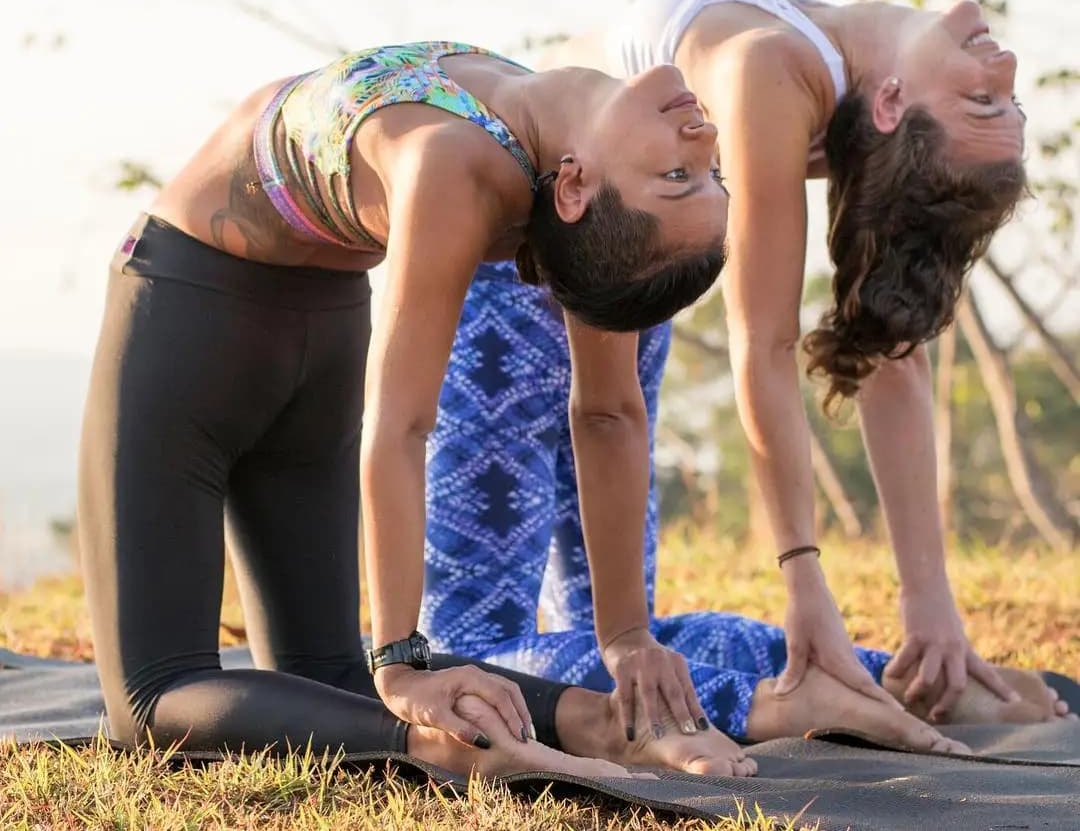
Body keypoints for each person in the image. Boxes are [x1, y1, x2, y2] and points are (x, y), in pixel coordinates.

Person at [78, 39, 763, 780]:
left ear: (576, 187)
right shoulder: (553, 171)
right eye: (700, 175)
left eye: (679, 177)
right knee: (327, 668)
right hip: (322, 323)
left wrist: (410, 660)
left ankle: (459, 746)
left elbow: (464, 421)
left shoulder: (464, 165)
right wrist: (616, 637)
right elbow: (603, 416)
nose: (704, 139)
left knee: (150, 697)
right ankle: (591, 721)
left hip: (195, 314)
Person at [496, 0, 1030, 721]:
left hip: (590, 278)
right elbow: (764, 340)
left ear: (893, 104)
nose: (1003, 72)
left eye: (986, 104)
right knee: (525, 636)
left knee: (599, 634)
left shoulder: (811, 80)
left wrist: (928, 601)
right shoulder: (791, 63)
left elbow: (874, 339)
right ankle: (784, 703)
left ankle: (829, 689)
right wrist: (803, 576)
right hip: (532, 253)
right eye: (1003, 104)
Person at [422, 267, 1073, 744]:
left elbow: (390, 424)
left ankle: (774, 705)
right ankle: (890, 680)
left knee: (464, 649)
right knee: (622, 637)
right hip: (646, 270)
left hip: (503, 295)